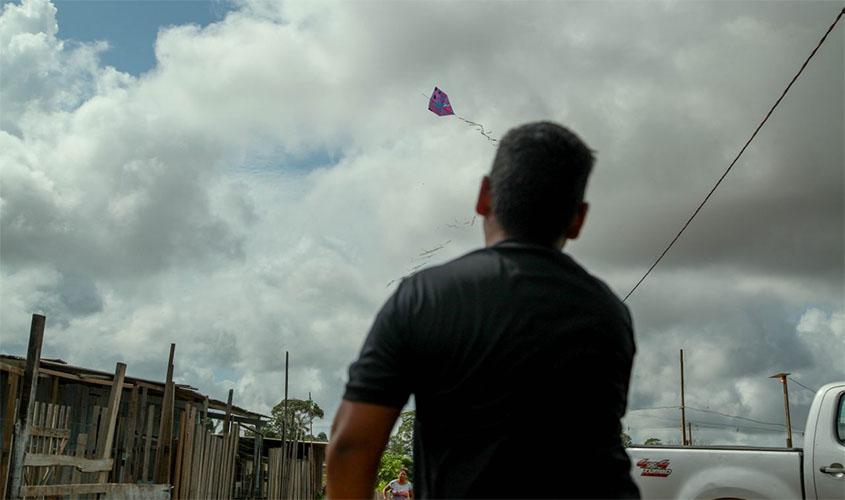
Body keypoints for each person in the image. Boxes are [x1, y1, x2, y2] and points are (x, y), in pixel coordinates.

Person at [326, 121, 639, 499]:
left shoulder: (424, 297)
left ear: (484, 197)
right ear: (578, 220)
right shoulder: (610, 313)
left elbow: (351, 446)